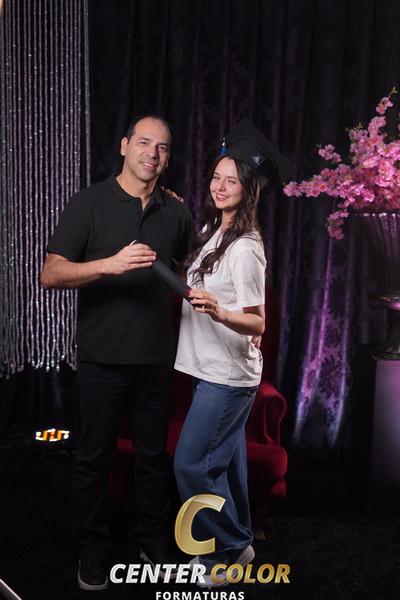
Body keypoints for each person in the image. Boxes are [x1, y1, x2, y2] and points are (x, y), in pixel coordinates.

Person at [40, 115, 195, 591]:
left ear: (168, 158)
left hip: (156, 357)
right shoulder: (89, 201)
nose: (153, 153)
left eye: (162, 147)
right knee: (93, 458)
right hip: (102, 357)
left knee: (152, 456)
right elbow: (51, 273)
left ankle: (152, 540)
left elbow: (192, 270)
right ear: (125, 146)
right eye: (144, 143)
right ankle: (93, 548)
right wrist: (109, 264)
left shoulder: (176, 212)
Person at [173, 118, 293, 587]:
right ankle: (233, 550)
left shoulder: (245, 248)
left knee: (191, 465)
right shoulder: (212, 230)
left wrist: (221, 312)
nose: (220, 186)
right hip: (210, 369)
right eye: (216, 177)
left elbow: (258, 321)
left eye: (231, 181)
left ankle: (230, 544)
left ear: (248, 190)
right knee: (222, 465)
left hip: (227, 376)